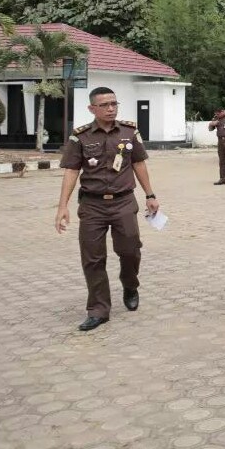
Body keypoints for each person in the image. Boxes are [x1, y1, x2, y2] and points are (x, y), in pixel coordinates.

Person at [55, 87, 160, 331]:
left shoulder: (129, 132)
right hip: (92, 205)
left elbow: (139, 163)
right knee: (92, 258)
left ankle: (130, 284)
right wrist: (62, 207)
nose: (111, 109)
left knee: (130, 250)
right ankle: (98, 309)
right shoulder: (80, 137)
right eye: (104, 105)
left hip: (124, 202)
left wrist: (150, 195)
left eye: (114, 103)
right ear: (92, 109)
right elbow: (71, 171)